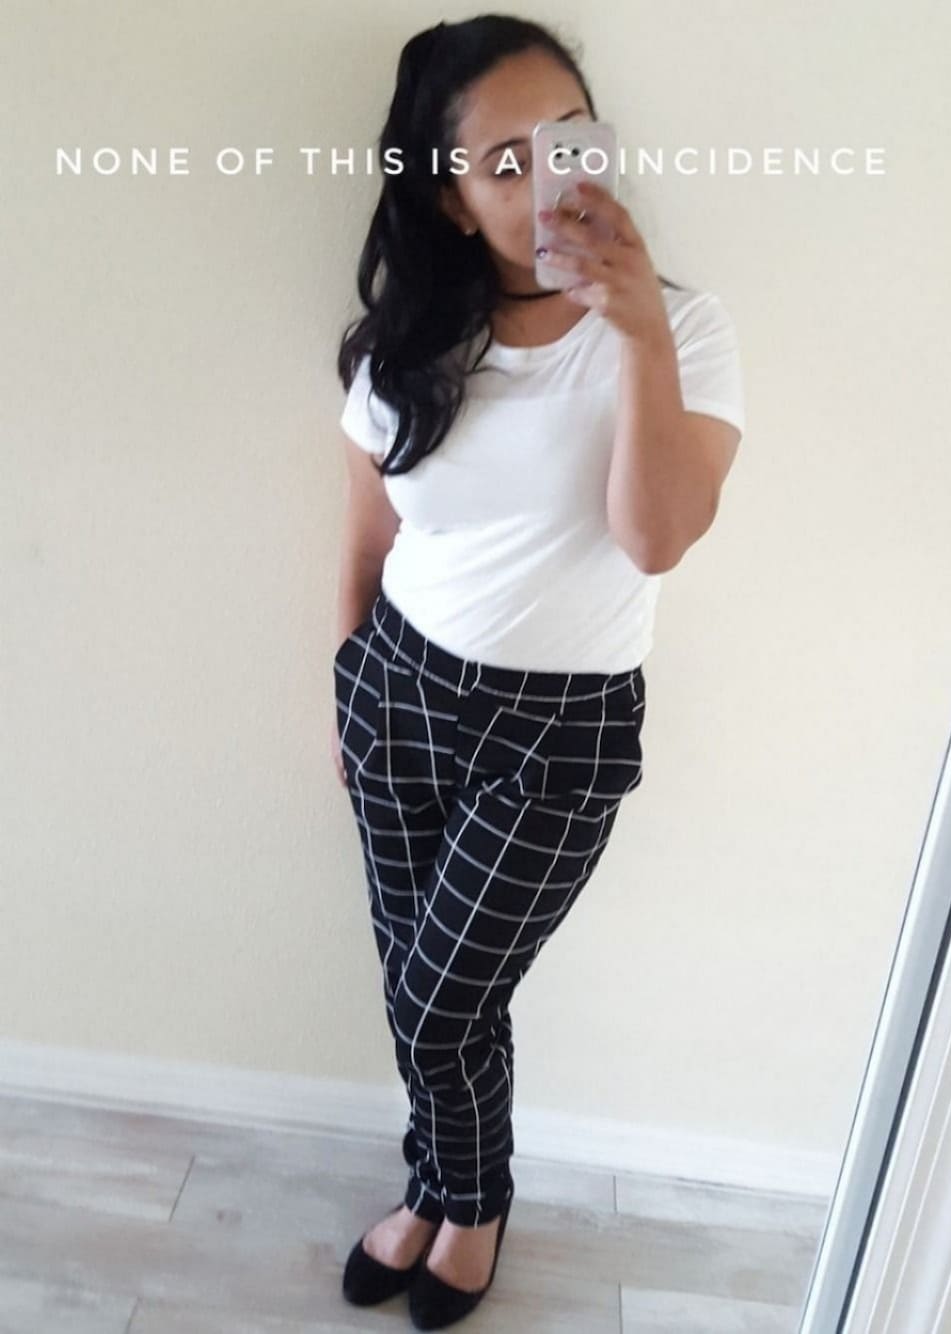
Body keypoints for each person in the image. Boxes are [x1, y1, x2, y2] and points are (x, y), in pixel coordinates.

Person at [332, 15, 745, 1330]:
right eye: (502, 163)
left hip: (554, 734)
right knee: (430, 989)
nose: (547, 178)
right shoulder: (406, 342)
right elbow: (369, 533)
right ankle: (441, 1191)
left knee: (438, 1001)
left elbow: (656, 538)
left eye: (565, 137)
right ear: (452, 199)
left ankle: (470, 1199)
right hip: (396, 691)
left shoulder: (684, 329)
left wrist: (638, 335)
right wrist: (343, 683)